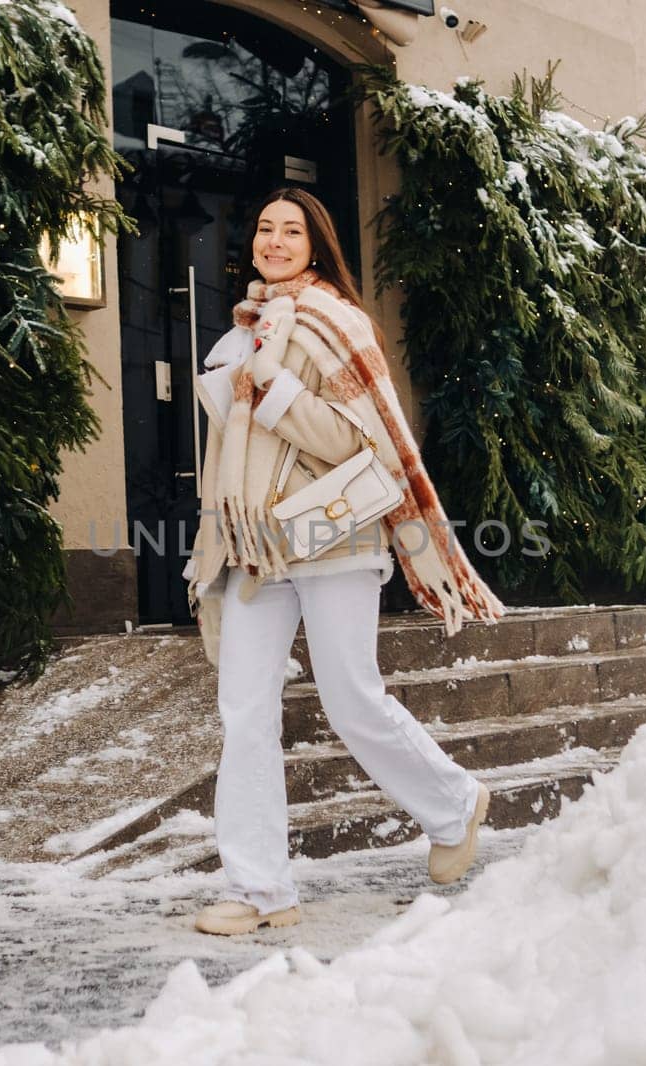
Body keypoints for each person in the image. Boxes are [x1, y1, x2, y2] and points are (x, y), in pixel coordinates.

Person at [183, 187, 506, 936]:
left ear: (317, 245)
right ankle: (262, 891)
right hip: (256, 549)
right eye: (264, 228)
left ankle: (455, 805)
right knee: (245, 713)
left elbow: (356, 442)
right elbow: (225, 457)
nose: (274, 239)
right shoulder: (243, 332)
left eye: (290, 230)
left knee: (352, 698)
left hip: (331, 538)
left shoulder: (337, 322)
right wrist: (213, 540)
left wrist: (275, 387)